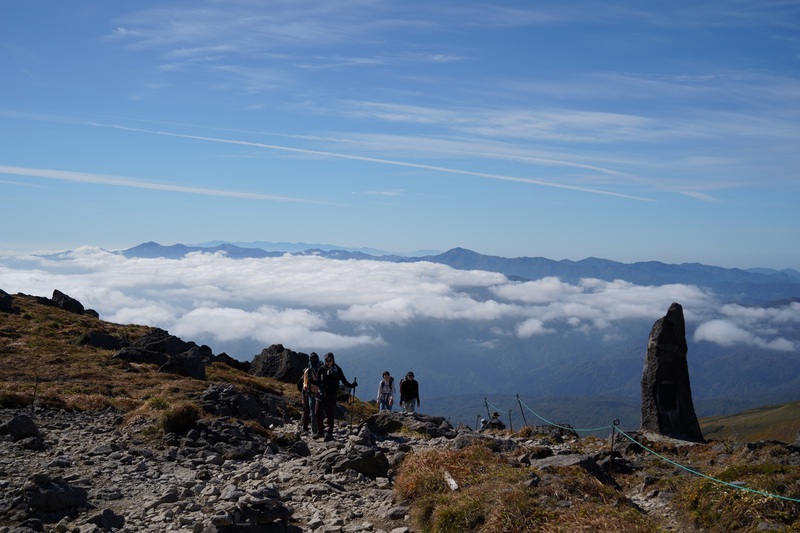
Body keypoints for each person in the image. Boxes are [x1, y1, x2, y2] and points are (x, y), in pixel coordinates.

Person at [314, 352, 357, 441]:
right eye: (327, 360)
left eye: (330, 360)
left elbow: (343, 380)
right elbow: (317, 380)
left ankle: (329, 434)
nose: (328, 362)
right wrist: (319, 386)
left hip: (331, 394)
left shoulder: (337, 369)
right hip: (321, 393)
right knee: (317, 412)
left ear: (333, 360)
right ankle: (320, 432)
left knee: (330, 414)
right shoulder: (321, 369)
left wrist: (351, 385)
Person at [301, 352, 320, 434]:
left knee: (313, 412)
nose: (314, 360)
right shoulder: (308, 371)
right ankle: (315, 431)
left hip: (315, 393)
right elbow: (305, 383)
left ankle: (315, 430)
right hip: (311, 393)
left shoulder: (320, 369)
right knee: (313, 412)